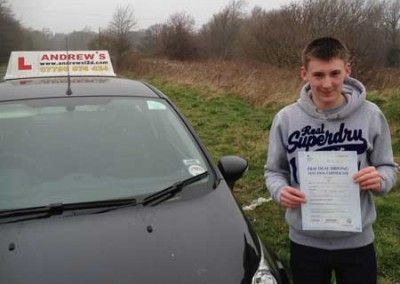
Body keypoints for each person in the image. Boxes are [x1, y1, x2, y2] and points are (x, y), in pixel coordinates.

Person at [265, 37, 397, 284]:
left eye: (335, 73)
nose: (327, 83)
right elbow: (274, 170)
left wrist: (380, 179)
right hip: (305, 242)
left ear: (347, 70)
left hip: (357, 242)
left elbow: (388, 167)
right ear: (304, 73)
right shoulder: (286, 118)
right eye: (318, 75)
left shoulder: (371, 115)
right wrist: (280, 191)